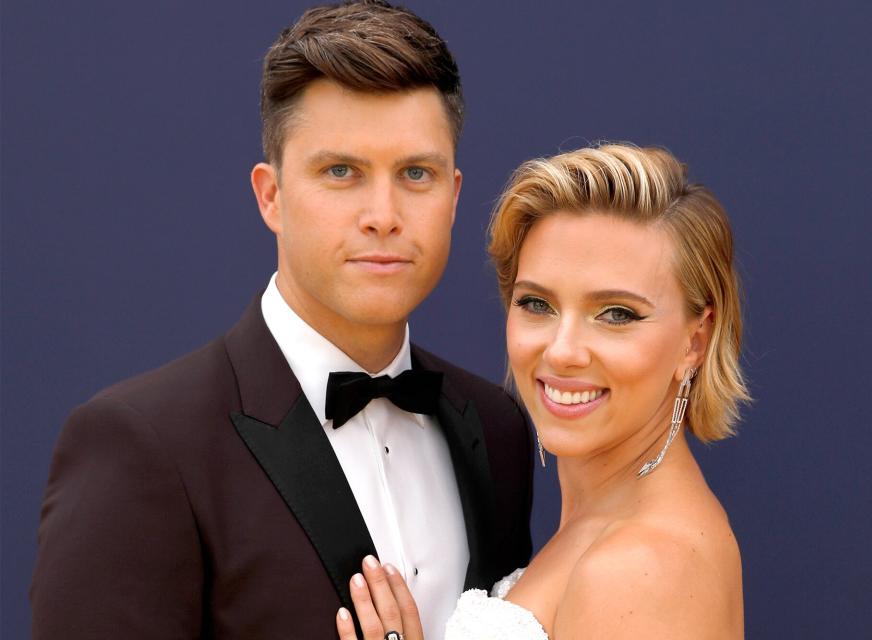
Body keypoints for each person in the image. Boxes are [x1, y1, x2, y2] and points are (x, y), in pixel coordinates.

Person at [30, 2, 533, 638]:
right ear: (271, 196)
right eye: (341, 171)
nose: (383, 213)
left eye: (415, 173)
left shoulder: (498, 429)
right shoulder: (142, 446)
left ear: (454, 196)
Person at [334, 143, 751, 639]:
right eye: (536, 303)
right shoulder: (608, 521)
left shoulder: (643, 567)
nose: (562, 351)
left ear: (694, 341)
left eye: (616, 314)